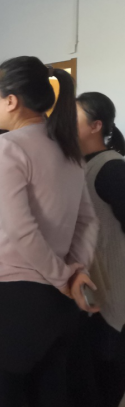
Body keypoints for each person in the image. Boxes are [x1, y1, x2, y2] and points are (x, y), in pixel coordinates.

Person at [0, 56, 98, 407]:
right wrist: (74, 271)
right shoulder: (66, 145)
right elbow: (87, 221)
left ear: (11, 101)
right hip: (54, 304)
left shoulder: (8, 145)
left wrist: (64, 277)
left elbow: (21, 230)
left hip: (6, 301)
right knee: (48, 394)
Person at [71, 92, 125, 407]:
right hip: (87, 288)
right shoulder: (77, 165)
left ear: (96, 125)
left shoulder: (111, 169)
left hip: (111, 293)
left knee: (105, 379)